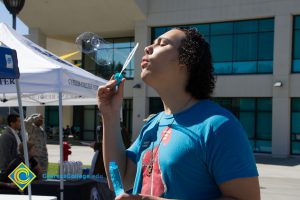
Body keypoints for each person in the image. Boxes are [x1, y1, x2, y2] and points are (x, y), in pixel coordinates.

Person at [97, 28, 260, 200]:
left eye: (162, 43)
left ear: (186, 61)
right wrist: (110, 114)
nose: (148, 48)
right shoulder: (153, 125)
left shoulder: (218, 126)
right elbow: (120, 178)